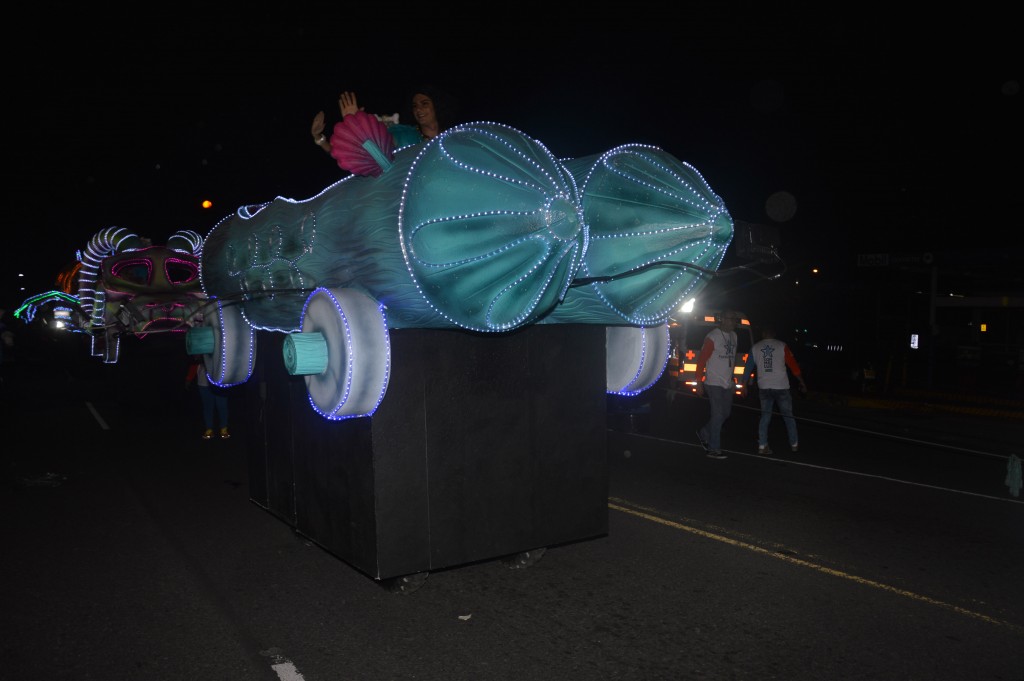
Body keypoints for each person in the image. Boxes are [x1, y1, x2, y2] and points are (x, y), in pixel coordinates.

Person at [310, 86, 452, 169]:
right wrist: (357, 124)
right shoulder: (404, 134)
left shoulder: (452, 138)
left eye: (424, 104)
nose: (418, 110)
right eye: (415, 106)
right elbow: (360, 152)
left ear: (438, 106)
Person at [743, 323, 806, 455]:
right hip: (781, 387)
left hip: (764, 387)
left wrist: (744, 385)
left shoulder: (755, 347)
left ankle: (762, 445)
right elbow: (793, 366)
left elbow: (747, 368)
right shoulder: (782, 346)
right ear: (774, 334)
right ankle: (794, 443)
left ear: (763, 335)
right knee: (788, 416)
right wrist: (801, 382)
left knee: (765, 417)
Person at [694, 310, 741, 459]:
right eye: (731, 318)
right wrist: (699, 381)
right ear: (722, 320)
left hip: (726, 383)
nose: (734, 321)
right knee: (717, 414)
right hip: (713, 382)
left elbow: (731, 361)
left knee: (725, 413)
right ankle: (713, 448)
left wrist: (733, 380)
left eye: (735, 319)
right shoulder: (713, 336)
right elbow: (701, 360)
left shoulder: (734, 336)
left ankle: (704, 432)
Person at [185, 356, 231, 440]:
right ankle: (209, 429)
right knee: (207, 407)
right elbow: (194, 364)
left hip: (220, 384)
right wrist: (189, 378)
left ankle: (224, 429)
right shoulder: (200, 349)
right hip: (203, 384)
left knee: (222, 406)